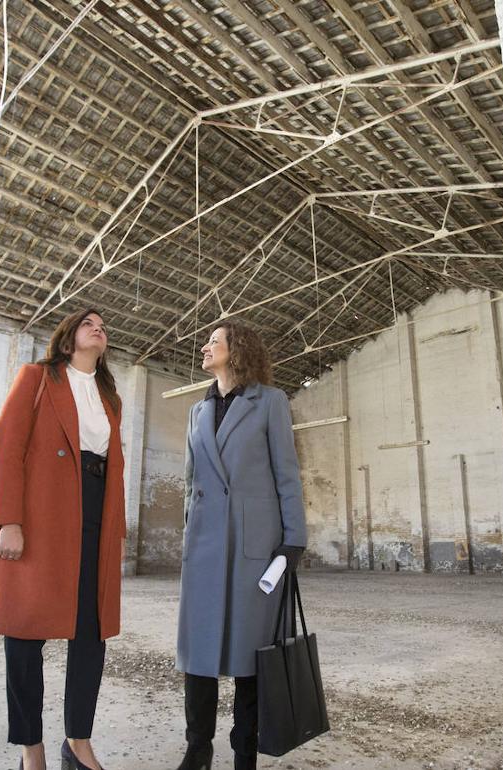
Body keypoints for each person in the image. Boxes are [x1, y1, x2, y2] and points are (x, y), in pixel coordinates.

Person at [0, 309, 126, 770]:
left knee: (91, 633)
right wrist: (9, 521)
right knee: (23, 633)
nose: (98, 328)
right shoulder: (38, 377)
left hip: (96, 511)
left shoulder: (109, 396)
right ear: (68, 337)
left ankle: (78, 742)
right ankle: (31, 750)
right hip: (42, 514)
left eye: (103, 325)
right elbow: (7, 451)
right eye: (89, 323)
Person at [175, 322, 307, 770]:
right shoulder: (197, 411)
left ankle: (244, 752)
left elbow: (287, 475)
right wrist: (188, 529)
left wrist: (292, 543)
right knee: (200, 651)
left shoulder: (269, 401)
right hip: (206, 544)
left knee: (253, 653)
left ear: (238, 350)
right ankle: (198, 750)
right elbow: (191, 479)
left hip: (257, 545)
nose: (205, 346)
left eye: (215, 340)